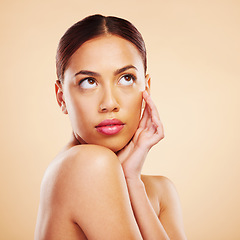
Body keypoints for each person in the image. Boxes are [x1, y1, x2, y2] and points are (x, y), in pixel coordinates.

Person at [35, 14, 187, 240]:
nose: (109, 103)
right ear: (61, 98)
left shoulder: (160, 191)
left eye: (126, 78)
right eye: (89, 81)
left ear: (146, 88)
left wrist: (131, 180)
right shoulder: (88, 164)